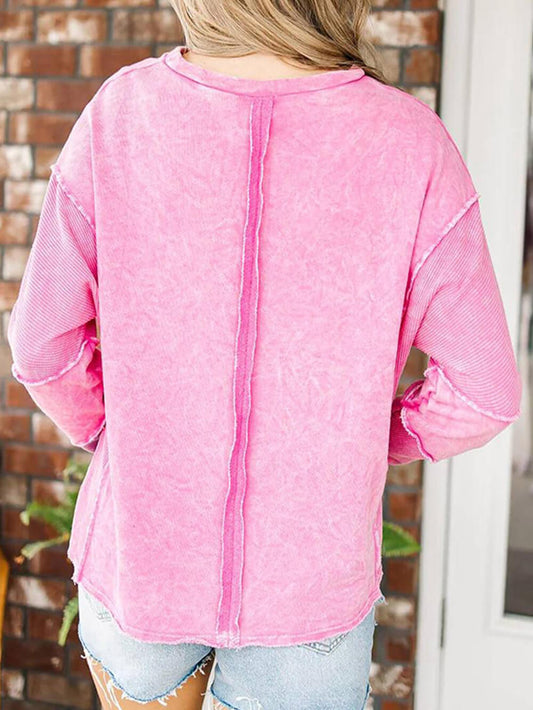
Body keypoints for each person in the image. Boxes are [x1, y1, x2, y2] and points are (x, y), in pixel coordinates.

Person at [6, 0, 522, 708]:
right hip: (310, 588)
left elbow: (42, 345)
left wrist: (116, 433)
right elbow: (483, 392)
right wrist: (371, 438)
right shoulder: (411, 142)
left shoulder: (121, 116)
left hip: (140, 560)